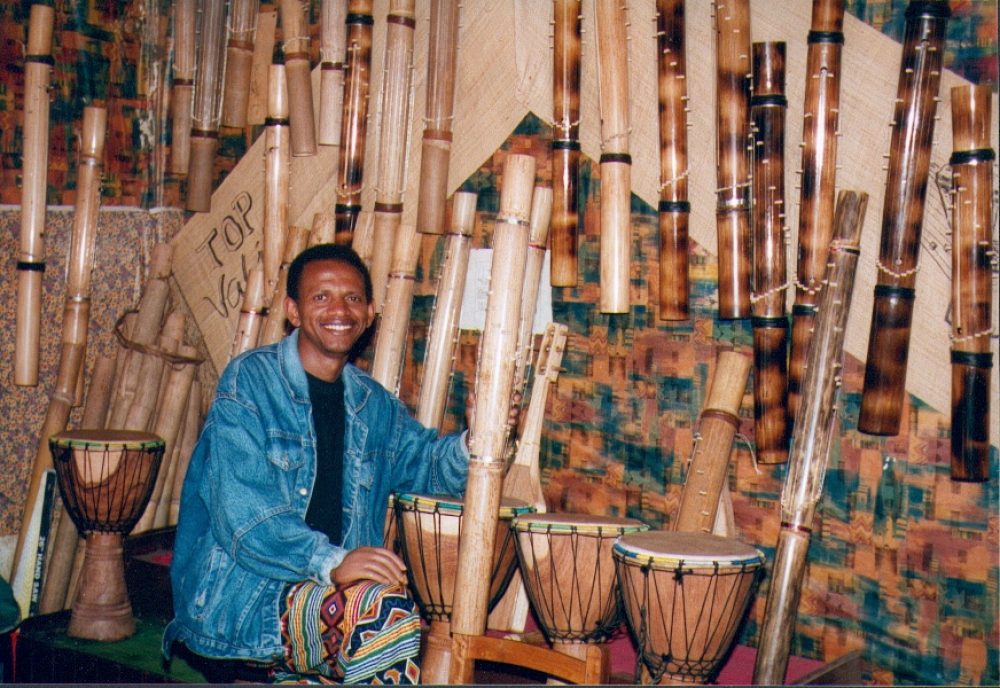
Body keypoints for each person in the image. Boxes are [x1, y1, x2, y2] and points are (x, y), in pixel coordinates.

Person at [163, 243, 482, 684]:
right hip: (246, 596)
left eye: (352, 298)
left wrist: (476, 438)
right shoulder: (250, 381)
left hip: (326, 591)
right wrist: (331, 561)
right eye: (321, 297)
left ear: (370, 312)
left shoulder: (374, 405)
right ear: (293, 311)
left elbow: (427, 465)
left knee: (374, 611)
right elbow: (245, 516)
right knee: (382, 612)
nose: (340, 309)